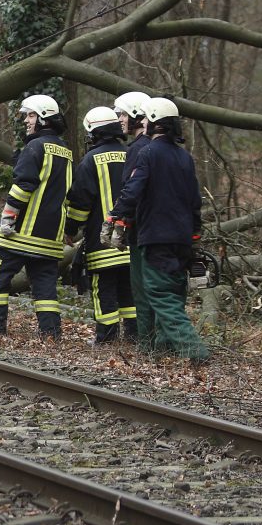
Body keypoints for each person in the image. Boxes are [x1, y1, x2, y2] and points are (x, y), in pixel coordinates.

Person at [106, 97, 209, 364]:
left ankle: (193, 349)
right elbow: (195, 200)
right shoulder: (184, 157)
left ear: (152, 122)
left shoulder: (148, 153)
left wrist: (117, 214)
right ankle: (162, 349)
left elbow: (134, 189)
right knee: (174, 290)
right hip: (183, 237)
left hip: (156, 236)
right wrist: (194, 234)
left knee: (160, 294)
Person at [0, 94, 72, 339]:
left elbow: (23, 185)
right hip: (50, 237)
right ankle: (50, 334)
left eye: (30, 115)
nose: (26, 121)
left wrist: (8, 217)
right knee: (45, 289)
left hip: (19, 234)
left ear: (42, 118)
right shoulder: (65, 150)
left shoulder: (34, 147)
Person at [65, 106, 133, 343]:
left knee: (103, 291)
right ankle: (133, 337)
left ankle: (107, 339)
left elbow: (80, 203)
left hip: (101, 242)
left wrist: (70, 230)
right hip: (129, 243)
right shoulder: (132, 153)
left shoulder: (89, 161)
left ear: (94, 133)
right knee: (128, 292)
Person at [112, 90, 153, 344]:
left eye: (123, 114)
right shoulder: (152, 147)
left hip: (143, 231)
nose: (119, 119)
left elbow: (131, 190)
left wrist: (118, 220)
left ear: (137, 115)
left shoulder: (139, 149)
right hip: (152, 229)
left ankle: (148, 343)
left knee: (143, 289)